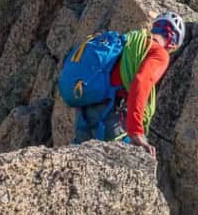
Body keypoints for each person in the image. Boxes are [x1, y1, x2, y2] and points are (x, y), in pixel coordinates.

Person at [71, 12, 185, 157]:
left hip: (86, 109)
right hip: (109, 116)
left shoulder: (130, 40)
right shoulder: (160, 53)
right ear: (173, 42)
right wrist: (136, 131)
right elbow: (141, 82)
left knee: (77, 162)